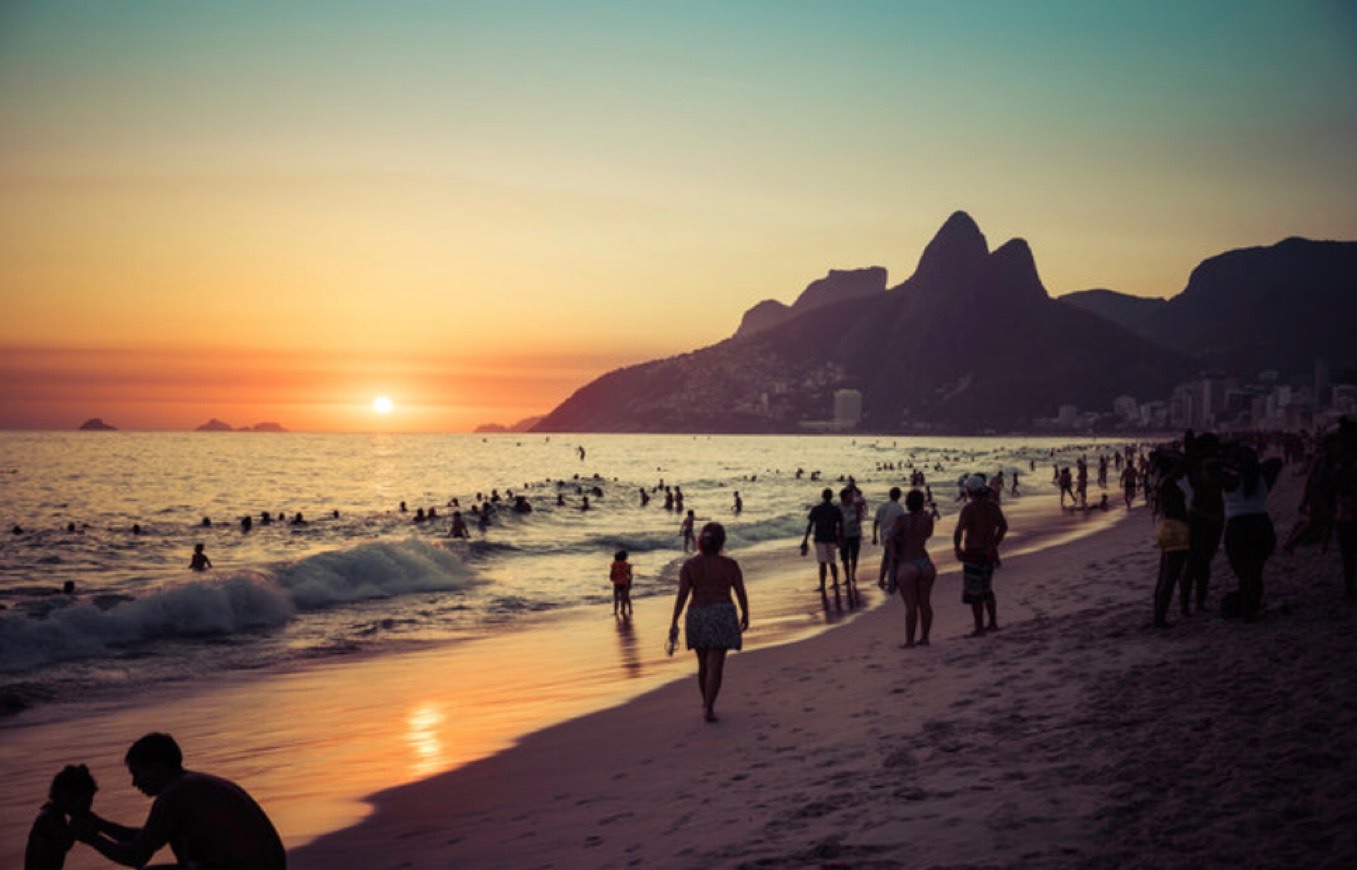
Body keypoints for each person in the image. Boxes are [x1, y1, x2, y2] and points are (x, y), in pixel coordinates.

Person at [71, 732, 286, 869]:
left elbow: (137, 856)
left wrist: (91, 838)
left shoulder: (173, 795)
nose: (135, 783)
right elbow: (148, 837)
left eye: (137, 774)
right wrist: (98, 824)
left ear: (157, 767)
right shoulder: (192, 784)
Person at [668, 523, 750, 723]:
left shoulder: (689, 566)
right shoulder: (730, 565)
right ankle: (709, 707)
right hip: (722, 612)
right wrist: (746, 613)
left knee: (703, 664)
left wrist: (674, 621)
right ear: (721, 541)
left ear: (699, 541)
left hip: (697, 613)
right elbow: (740, 591)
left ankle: (706, 703)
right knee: (716, 664)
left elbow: (683, 594)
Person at [1221, 444, 1283, 620]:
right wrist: (1253, 466)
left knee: (1243, 572)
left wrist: (1234, 466)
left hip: (1238, 527)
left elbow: (1213, 466)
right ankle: (1251, 606)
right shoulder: (1262, 476)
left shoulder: (1230, 479)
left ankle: (1249, 609)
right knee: (1255, 570)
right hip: (1261, 525)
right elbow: (1277, 461)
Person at [953, 474, 1007, 637]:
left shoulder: (968, 509)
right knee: (987, 588)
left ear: (970, 491)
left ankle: (979, 627)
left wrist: (957, 548)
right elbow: (1003, 527)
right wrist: (994, 544)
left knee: (975, 593)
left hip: (973, 552)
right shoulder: (993, 507)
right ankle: (992, 622)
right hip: (988, 553)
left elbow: (958, 531)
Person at [26, 764, 98, 870]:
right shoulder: (50, 818)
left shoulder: (53, 815)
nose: (89, 806)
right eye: (86, 800)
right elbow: (65, 843)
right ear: (66, 796)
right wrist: (77, 827)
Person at [890, 489, 936, 648]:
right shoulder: (927, 518)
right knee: (925, 603)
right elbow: (928, 534)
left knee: (910, 607)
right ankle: (925, 637)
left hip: (907, 562)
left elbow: (889, 539)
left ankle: (910, 641)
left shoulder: (901, 520)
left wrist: (895, 555)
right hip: (925, 562)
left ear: (908, 503)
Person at [1151, 453, 1192, 628]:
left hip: (1165, 526)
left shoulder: (1161, 481)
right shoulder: (1172, 481)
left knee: (1164, 574)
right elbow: (1185, 462)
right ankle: (1160, 619)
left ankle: (1158, 615)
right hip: (1177, 527)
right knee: (1171, 575)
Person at [800, 488, 843, 593]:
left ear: (822, 496)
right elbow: (841, 525)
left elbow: (810, 525)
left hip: (820, 538)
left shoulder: (816, 509)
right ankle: (835, 583)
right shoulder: (835, 509)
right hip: (832, 538)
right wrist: (840, 538)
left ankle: (822, 585)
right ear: (831, 497)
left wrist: (805, 539)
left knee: (822, 563)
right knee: (832, 562)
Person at [873, 487, 905, 592]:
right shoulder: (899, 508)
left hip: (884, 536)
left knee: (887, 558)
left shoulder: (882, 506)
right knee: (893, 558)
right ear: (899, 496)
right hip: (895, 536)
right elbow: (901, 523)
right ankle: (893, 579)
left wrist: (875, 536)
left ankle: (882, 579)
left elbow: (876, 522)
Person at [838, 486, 863, 588]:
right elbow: (837, 522)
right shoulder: (839, 508)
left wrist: (859, 529)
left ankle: (852, 575)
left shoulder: (855, 506)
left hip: (855, 534)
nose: (851, 497)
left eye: (851, 495)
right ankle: (847, 577)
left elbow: (859, 518)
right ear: (844, 497)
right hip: (843, 535)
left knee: (854, 555)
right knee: (844, 557)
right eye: (849, 496)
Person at [610, 549, 633, 617]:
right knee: (625, 598)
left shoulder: (614, 564)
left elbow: (612, 572)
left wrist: (611, 577)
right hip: (624, 583)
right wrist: (630, 583)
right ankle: (626, 610)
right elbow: (630, 575)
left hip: (617, 582)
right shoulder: (627, 565)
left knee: (616, 598)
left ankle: (615, 611)